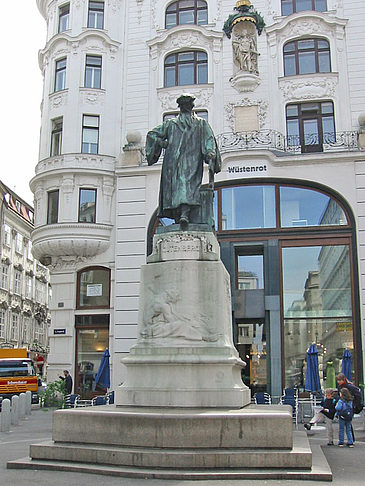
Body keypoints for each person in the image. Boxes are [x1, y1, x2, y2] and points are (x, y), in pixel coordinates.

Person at [145, 93, 221, 227]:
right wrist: (161, 143)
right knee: (175, 188)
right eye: (184, 105)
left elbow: (209, 140)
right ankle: (179, 217)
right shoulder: (170, 124)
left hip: (192, 160)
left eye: (188, 105)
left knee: (187, 184)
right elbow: (152, 134)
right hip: (173, 162)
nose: (186, 107)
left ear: (192, 106)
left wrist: (210, 152)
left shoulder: (201, 124)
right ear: (180, 107)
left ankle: (184, 214)